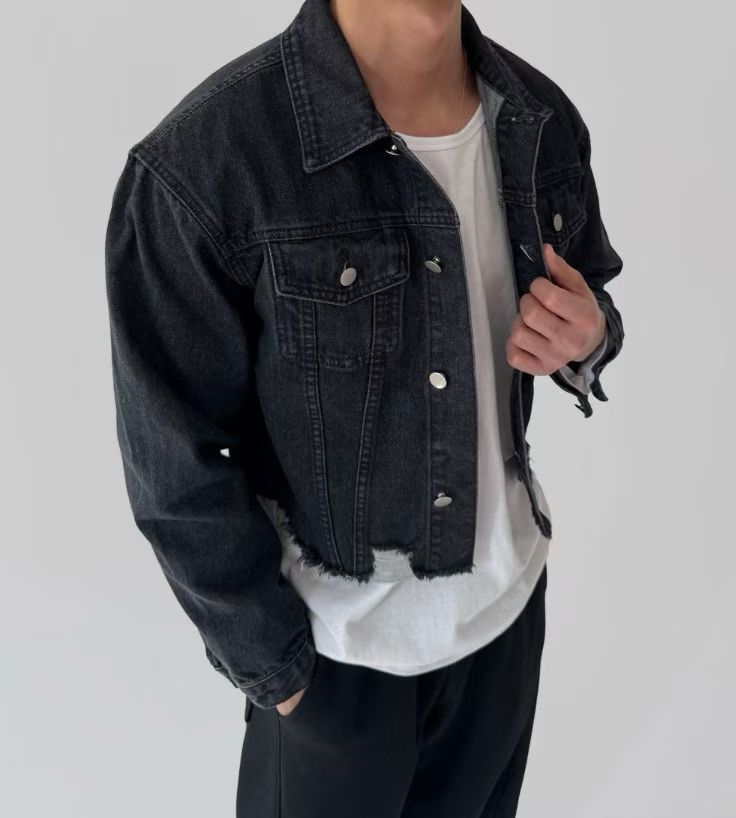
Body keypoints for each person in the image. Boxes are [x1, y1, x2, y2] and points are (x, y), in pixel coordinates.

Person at [104, 0, 624, 814]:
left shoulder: (539, 117)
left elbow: (593, 301)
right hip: (334, 668)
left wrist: (588, 338)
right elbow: (173, 466)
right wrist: (281, 675)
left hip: (505, 626)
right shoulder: (209, 161)